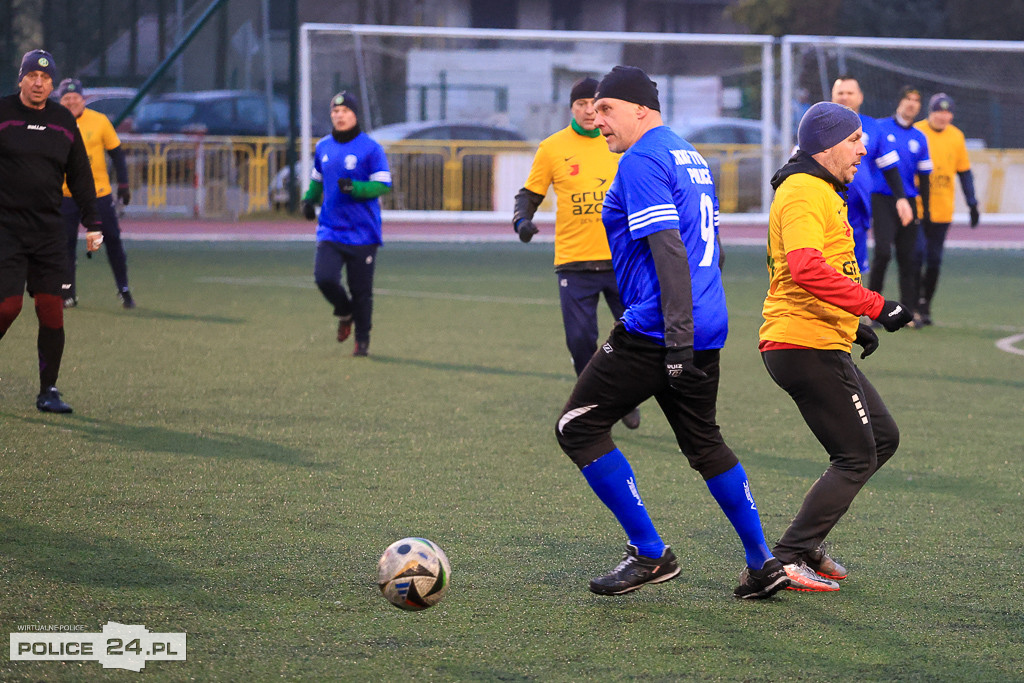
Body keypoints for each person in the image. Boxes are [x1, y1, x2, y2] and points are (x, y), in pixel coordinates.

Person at [555, 65, 789, 600]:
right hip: (705, 322)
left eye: (606, 109)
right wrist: (694, 324)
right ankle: (762, 562)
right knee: (705, 444)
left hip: (660, 327)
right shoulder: (689, 153)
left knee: (578, 427)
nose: (597, 119)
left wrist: (677, 338)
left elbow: (669, 249)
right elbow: (715, 249)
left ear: (640, 108)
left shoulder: (640, 159)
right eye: (593, 110)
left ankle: (651, 553)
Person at [759, 102, 915, 592]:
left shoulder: (818, 187)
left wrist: (852, 321)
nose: (863, 148)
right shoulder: (805, 189)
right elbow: (805, 267)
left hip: (819, 337)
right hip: (803, 343)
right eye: (854, 140)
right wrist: (874, 306)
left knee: (881, 439)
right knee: (855, 456)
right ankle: (786, 557)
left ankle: (802, 548)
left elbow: (819, 271)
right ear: (827, 145)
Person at [513, 77, 640, 429]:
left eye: (596, 105)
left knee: (637, 335)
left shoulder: (622, 144)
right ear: (571, 107)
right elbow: (530, 192)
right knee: (580, 340)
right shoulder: (553, 148)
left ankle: (625, 395)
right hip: (574, 262)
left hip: (623, 260)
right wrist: (522, 220)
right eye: (581, 104)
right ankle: (601, 400)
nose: (589, 111)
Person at [0, 50, 103, 413]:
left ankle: (49, 390)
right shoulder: (4, 113)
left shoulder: (63, 121)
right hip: (6, 228)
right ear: (21, 79)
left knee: (51, 309)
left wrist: (94, 222)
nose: (39, 83)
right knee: (7, 307)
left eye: (46, 78)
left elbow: (80, 176)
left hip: (48, 230)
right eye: (33, 76)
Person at [301, 91, 392, 357]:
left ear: (354, 115)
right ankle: (344, 311)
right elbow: (317, 180)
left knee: (361, 291)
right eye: (334, 112)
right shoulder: (323, 147)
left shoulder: (371, 148)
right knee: (324, 278)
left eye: (344, 111)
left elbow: (383, 184)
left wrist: (357, 187)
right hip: (330, 229)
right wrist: (308, 200)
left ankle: (362, 341)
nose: (339, 116)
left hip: (363, 232)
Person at [56, 78, 135, 309]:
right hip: (66, 194)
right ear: (60, 101)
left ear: (83, 100)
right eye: (66, 99)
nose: (71, 102)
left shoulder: (99, 121)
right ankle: (68, 294)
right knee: (65, 245)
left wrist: (123, 185)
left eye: (75, 98)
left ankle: (124, 289)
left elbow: (117, 154)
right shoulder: (53, 123)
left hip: (98, 194)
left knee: (112, 239)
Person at [830, 76, 913, 273]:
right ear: (832, 97)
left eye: (850, 93)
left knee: (853, 272)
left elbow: (889, 166)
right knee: (824, 267)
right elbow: (798, 159)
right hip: (825, 209)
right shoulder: (820, 126)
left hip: (858, 214)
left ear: (860, 97)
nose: (845, 97)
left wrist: (901, 198)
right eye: (840, 93)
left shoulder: (874, 128)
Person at [913, 93, 980, 326]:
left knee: (934, 261)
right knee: (916, 254)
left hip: (942, 211)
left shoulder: (956, 136)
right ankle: (911, 304)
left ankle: (925, 305)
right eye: (938, 111)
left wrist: (972, 204)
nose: (943, 116)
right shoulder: (916, 131)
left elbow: (964, 173)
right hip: (918, 209)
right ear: (930, 112)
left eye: (947, 111)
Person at [869, 86, 932, 322]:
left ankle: (908, 311)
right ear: (899, 101)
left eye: (916, 100)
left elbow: (925, 178)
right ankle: (871, 311)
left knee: (909, 257)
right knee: (883, 253)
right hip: (883, 200)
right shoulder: (880, 127)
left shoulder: (919, 138)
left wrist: (925, 210)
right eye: (908, 98)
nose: (912, 104)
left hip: (910, 203)